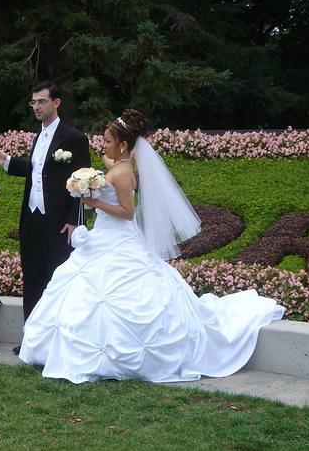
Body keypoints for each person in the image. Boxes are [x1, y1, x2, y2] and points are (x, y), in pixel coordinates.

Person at [18, 109, 285, 383]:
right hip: (105, 236)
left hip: (119, 237)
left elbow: (127, 212)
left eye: (108, 140)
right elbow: (111, 162)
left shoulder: (122, 174)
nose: (104, 145)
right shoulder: (120, 165)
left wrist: (95, 201)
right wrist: (88, 181)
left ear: (122, 144)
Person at [0, 82, 91, 354]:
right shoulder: (38, 137)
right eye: (33, 102)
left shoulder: (73, 138)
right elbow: (37, 170)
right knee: (32, 278)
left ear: (56, 103)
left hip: (59, 222)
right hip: (32, 218)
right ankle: (32, 339)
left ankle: (61, 340)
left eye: (41, 101)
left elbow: (82, 181)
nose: (36, 107)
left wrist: (74, 220)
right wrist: (8, 161)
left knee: (58, 279)